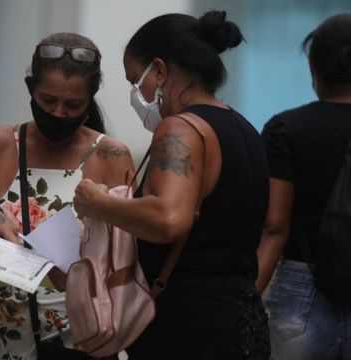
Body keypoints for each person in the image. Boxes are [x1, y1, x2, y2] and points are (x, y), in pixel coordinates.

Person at [73, 11, 271, 359]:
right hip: (243, 320)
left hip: (186, 328)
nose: (137, 94)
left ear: (160, 71)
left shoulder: (181, 128)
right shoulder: (244, 129)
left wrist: (98, 203)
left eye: (136, 81)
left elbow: (169, 218)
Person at [0, 32, 134, 359]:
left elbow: (125, 266)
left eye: (73, 105)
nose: (59, 113)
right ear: (31, 90)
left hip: (73, 337)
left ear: (91, 99)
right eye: (48, 101)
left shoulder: (110, 156)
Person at [257, 13, 351, 359]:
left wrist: (249, 298)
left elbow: (274, 226)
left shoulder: (286, 129)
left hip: (303, 285)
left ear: (314, 69)